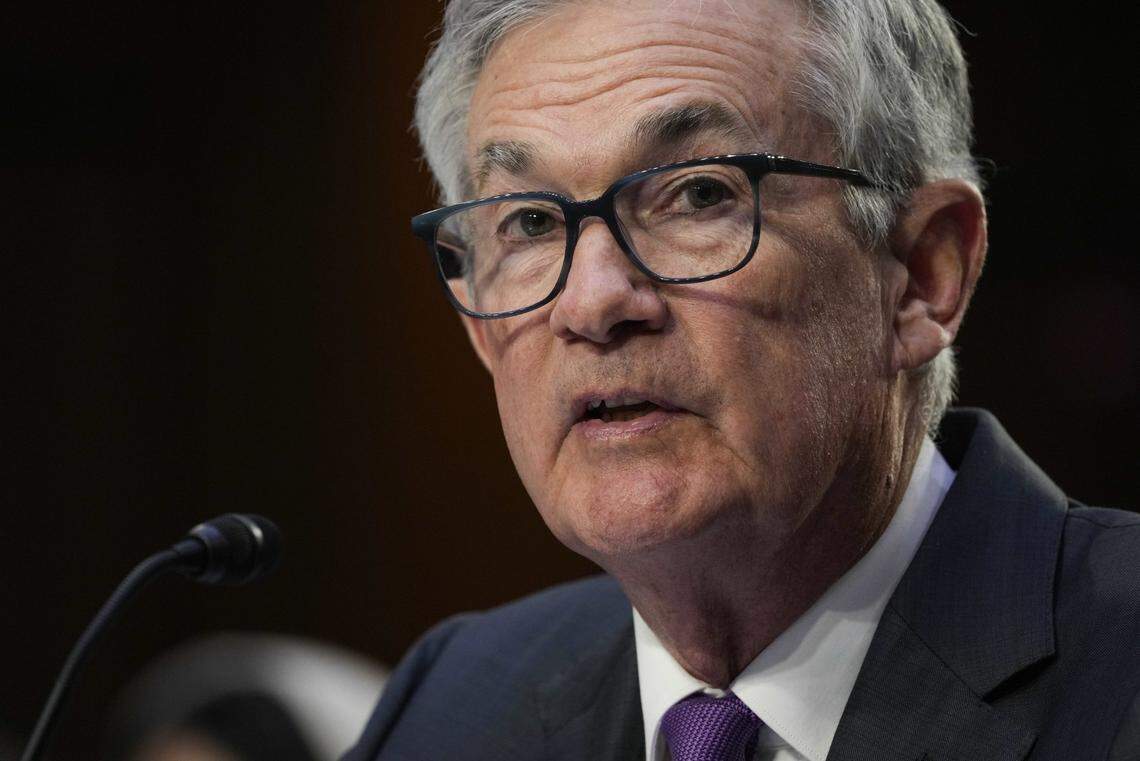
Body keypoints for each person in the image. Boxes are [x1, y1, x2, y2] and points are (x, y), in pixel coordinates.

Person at [345, 1, 1140, 759]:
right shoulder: (450, 707)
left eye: (697, 194)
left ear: (922, 274)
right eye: (529, 222)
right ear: (481, 327)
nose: (591, 303)